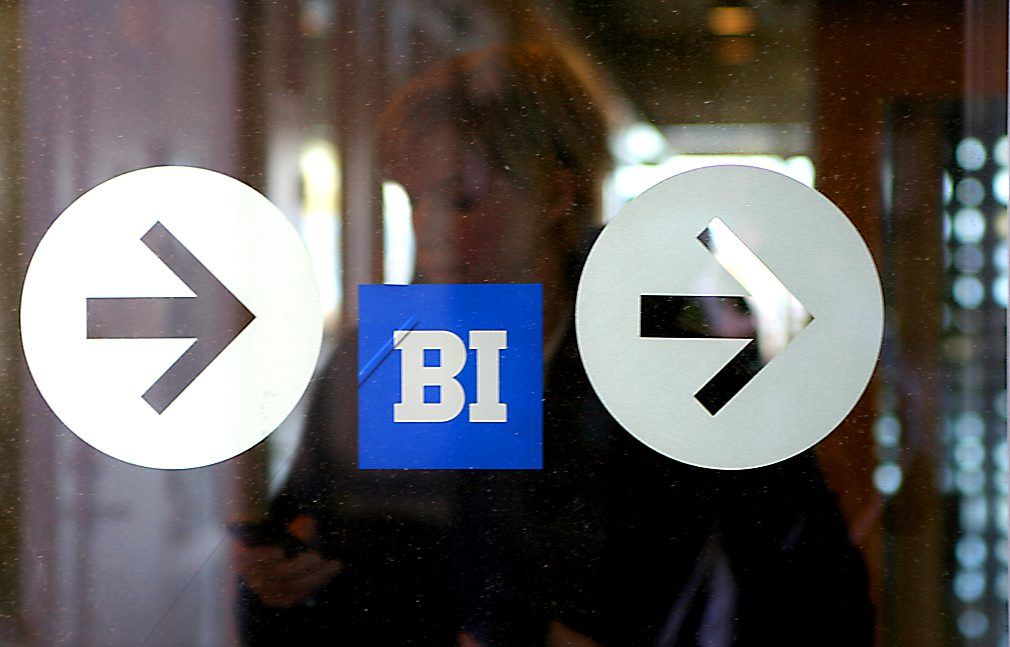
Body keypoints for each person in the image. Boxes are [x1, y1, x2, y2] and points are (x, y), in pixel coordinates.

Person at [234, 43, 874, 646]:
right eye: (411, 200)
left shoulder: (668, 343)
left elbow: (799, 564)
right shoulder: (394, 352)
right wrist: (283, 575)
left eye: (460, 199)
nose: (427, 230)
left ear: (555, 193)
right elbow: (332, 538)